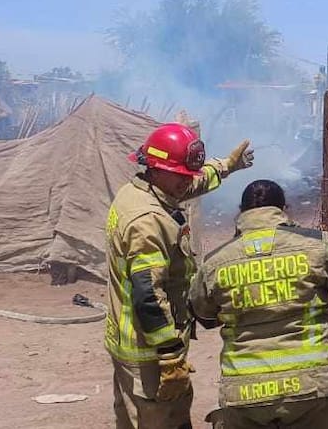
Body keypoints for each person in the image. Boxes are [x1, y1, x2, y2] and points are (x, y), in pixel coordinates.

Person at [104, 122, 255, 429]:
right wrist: (170, 355)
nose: (187, 182)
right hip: (149, 352)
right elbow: (148, 293)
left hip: (140, 344)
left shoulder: (139, 190)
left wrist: (225, 166)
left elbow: (190, 185)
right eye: (181, 175)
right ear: (157, 169)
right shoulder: (147, 221)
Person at [191, 179, 328, 429]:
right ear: (284, 208)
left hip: (244, 394)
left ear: (241, 212)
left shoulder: (215, 262)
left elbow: (204, 316)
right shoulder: (314, 244)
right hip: (312, 387)